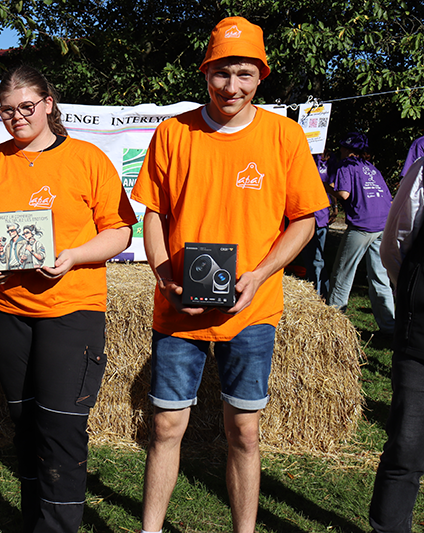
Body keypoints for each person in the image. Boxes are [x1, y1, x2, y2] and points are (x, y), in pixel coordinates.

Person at [130, 17, 329, 533]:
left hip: (252, 311)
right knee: (167, 425)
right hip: (179, 309)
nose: (231, 87)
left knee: (243, 430)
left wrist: (259, 276)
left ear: (260, 76)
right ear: (206, 74)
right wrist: (163, 277)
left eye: (243, 73)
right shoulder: (174, 131)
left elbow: (304, 220)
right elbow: (153, 214)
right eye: (221, 73)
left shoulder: (283, 135)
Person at [0, 65, 136, 533]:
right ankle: (33, 519)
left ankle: (57, 528)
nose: (16, 117)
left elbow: (119, 231)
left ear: (48, 104)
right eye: (6, 111)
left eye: (26, 107)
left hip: (71, 309)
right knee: (25, 424)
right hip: (6, 312)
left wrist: (74, 256)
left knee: (60, 425)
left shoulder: (87, 158)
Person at [371, 155, 424, 532]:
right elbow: (394, 245)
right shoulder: (423, 169)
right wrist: (412, 296)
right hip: (419, 337)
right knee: (406, 444)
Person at [327, 132, 395, 334]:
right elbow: (388, 198)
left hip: (362, 226)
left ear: (348, 149)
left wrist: (326, 188)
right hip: (383, 225)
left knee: (342, 274)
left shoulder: (346, 166)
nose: (339, 151)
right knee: (380, 277)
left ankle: (334, 326)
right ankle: (390, 327)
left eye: (341, 147)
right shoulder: (372, 168)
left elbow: (343, 194)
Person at [298, 152, 335, 297]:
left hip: (321, 215)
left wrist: (335, 207)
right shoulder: (303, 156)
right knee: (307, 257)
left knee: (318, 259)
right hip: (305, 215)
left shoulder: (327, 162)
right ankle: (312, 290)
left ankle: (321, 294)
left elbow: (330, 185)